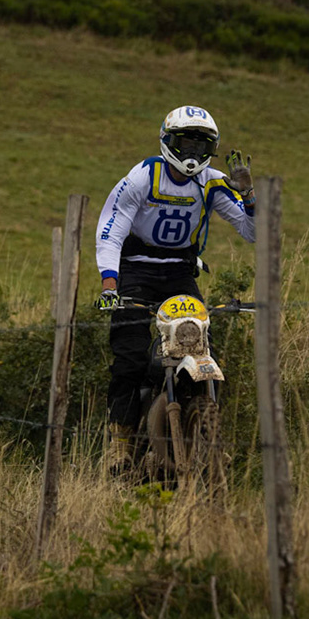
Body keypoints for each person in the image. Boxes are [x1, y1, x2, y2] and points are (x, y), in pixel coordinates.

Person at [93, 105, 254, 474]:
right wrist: (109, 284)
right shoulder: (142, 178)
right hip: (134, 271)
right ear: (168, 141)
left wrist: (250, 196)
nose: (193, 154)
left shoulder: (213, 182)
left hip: (181, 273)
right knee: (130, 359)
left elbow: (253, 232)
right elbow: (110, 229)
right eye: (185, 144)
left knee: (199, 349)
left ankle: (206, 436)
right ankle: (120, 445)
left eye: (202, 147)